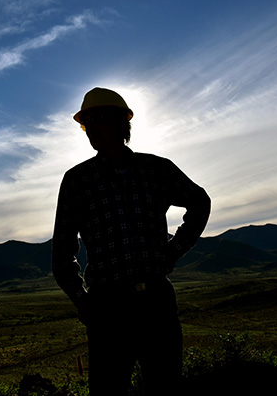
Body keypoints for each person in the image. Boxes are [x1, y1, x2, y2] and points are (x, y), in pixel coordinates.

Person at [52, 88, 211, 396]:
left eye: (100, 119)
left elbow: (199, 202)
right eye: (87, 123)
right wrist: (80, 299)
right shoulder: (78, 180)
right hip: (106, 306)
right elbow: (62, 250)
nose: (92, 128)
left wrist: (172, 253)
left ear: (122, 123)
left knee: (165, 386)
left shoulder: (156, 169)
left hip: (155, 299)